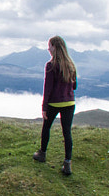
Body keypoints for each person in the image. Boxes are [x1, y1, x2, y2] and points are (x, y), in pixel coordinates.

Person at [32, 35, 77, 175]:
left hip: (54, 102)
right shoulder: (71, 65)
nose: (48, 48)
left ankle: (42, 153)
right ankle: (67, 164)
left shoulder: (51, 65)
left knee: (46, 127)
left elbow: (48, 88)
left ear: (55, 47)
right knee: (67, 132)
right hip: (69, 102)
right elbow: (74, 86)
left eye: (49, 46)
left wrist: (44, 107)